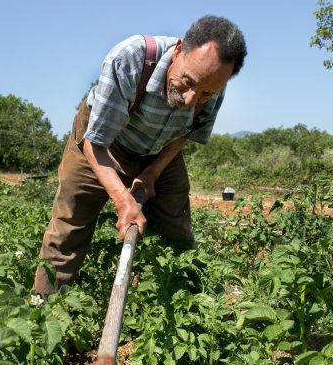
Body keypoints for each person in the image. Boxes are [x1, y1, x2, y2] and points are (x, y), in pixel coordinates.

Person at [34, 15, 247, 296]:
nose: (190, 99)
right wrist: (123, 200)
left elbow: (186, 132)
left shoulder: (212, 83)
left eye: (205, 93)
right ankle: (43, 313)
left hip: (160, 148)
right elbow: (94, 143)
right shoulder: (131, 59)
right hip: (103, 143)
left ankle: (189, 307)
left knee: (177, 228)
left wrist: (153, 173)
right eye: (187, 82)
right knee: (69, 225)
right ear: (180, 50)